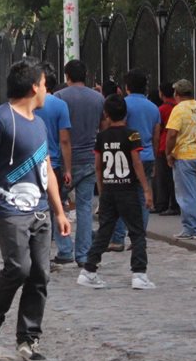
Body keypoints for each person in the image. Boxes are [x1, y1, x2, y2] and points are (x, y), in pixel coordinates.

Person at [0, 58, 71, 361]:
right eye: (44, 85)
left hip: (40, 211)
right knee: (19, 267)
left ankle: (28, 340)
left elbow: (47, 170)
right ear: (34, 86)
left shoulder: (40, 123)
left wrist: (59, 212)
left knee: (40, 274)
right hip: (8, 209)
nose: (47, 90)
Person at [76, 94, 155, 291]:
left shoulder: (101, 137)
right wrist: (146, 189)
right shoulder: (133, 135)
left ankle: (89, 269)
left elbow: (98, 167)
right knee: (137, 232)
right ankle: (139, 273)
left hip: (109, 189)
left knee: (104, 231)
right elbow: (136, 163)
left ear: (106, 115)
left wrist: (102, 192)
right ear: (125, 114)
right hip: (127, 189)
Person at [55, 59, 104, 268]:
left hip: (62, 160)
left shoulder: (58, 98)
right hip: (89, 158)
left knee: (57, 205)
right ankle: (83, 254)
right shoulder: (98, 98)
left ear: (67, 76)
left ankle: (65, 248)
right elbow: (104, 126)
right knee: (85, 207)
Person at [111, 70, 161, 249]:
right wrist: (154, 156)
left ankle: (118, 236)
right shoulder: (153, 107)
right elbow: (156, 135)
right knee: (143, 196)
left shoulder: (124, 104)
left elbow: (119, 128)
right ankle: (139, 237)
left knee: (120, 196)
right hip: (147, 154)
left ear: (127, 87)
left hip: (126, 155)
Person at [35, 63, 73, 266]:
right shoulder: (59, 105)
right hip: (54, 164)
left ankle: (39, 252)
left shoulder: (28, 103)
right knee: (58, 207)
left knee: (37, 210)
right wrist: (68, 168)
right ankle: (65, 248)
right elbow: (65, 140)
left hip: (31, 165)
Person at [166, 79, 196, 240]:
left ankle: (191, 228)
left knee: (186, 194)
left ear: (177, 94)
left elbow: (172, 134)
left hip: (184, 155)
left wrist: (169, 152)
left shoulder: (178, 110)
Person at [153, 82, 178, 215]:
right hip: (177, 146)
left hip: (163, 146)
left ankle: (161, 204)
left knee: (162, 178)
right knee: (174, 179)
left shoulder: (162, 109)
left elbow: (158, 128)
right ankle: (174, 204)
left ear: (161, 93)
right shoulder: (178, 107)